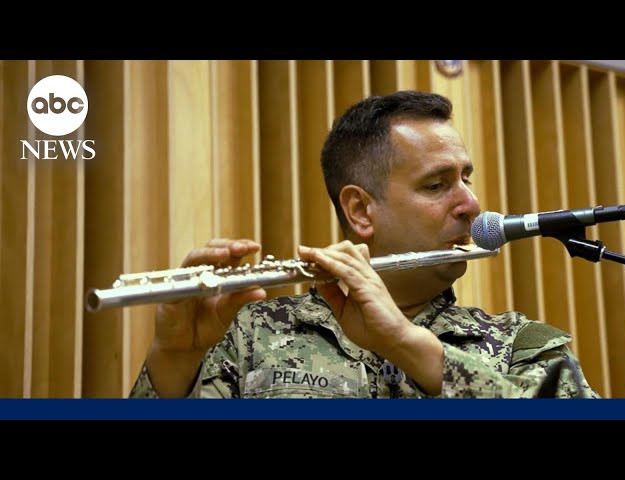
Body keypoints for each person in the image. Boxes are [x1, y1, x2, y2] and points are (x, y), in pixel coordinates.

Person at [129, 90, 600, 399]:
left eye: (466, 179)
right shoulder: (250, 334)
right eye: (437, 185)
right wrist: (174, 359)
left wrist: (405, 343)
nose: (471, 204)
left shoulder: (522, 345)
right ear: (360, 210)